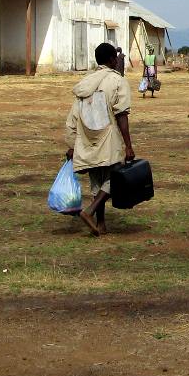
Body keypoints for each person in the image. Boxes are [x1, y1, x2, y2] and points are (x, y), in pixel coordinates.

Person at [64, 42, 133, 236]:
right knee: (116, 176)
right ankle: (90, 211)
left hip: (87, 138)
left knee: (97, 180)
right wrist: (128, 146)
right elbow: (122, 115)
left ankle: (101, 224)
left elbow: (73, 117)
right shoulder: (117, 81)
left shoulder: (86, 82)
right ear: (112, 59)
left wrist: (71, 145)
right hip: (109, 137)